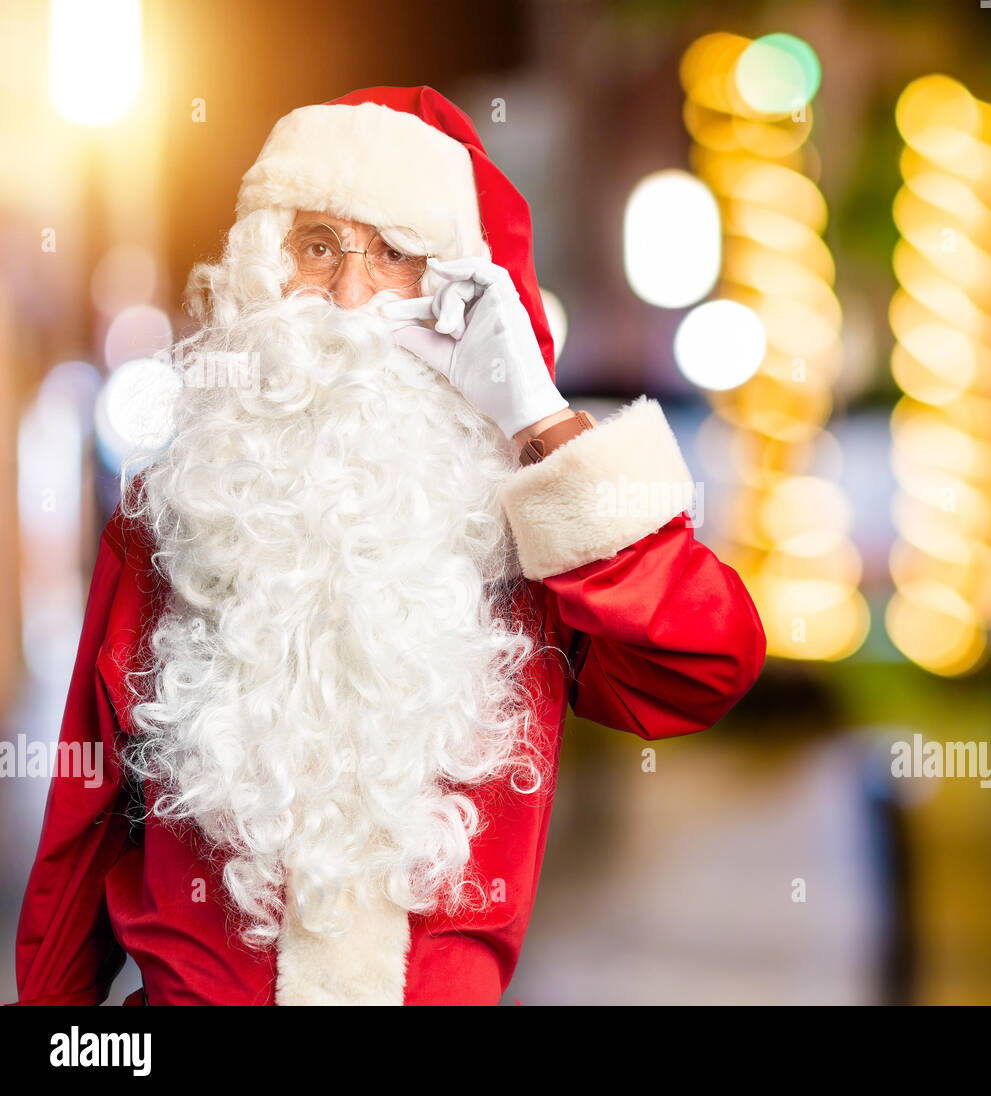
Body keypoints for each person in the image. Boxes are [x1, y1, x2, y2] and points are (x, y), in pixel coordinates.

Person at [12, 86, 766, 1006]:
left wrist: (534, 415)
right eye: (318, 247)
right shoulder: (175, 506)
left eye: (398, 256)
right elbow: (80, 834)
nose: (349, 296)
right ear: (263, 266)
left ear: (461, 299)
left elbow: (706, 662)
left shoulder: (525, 531)